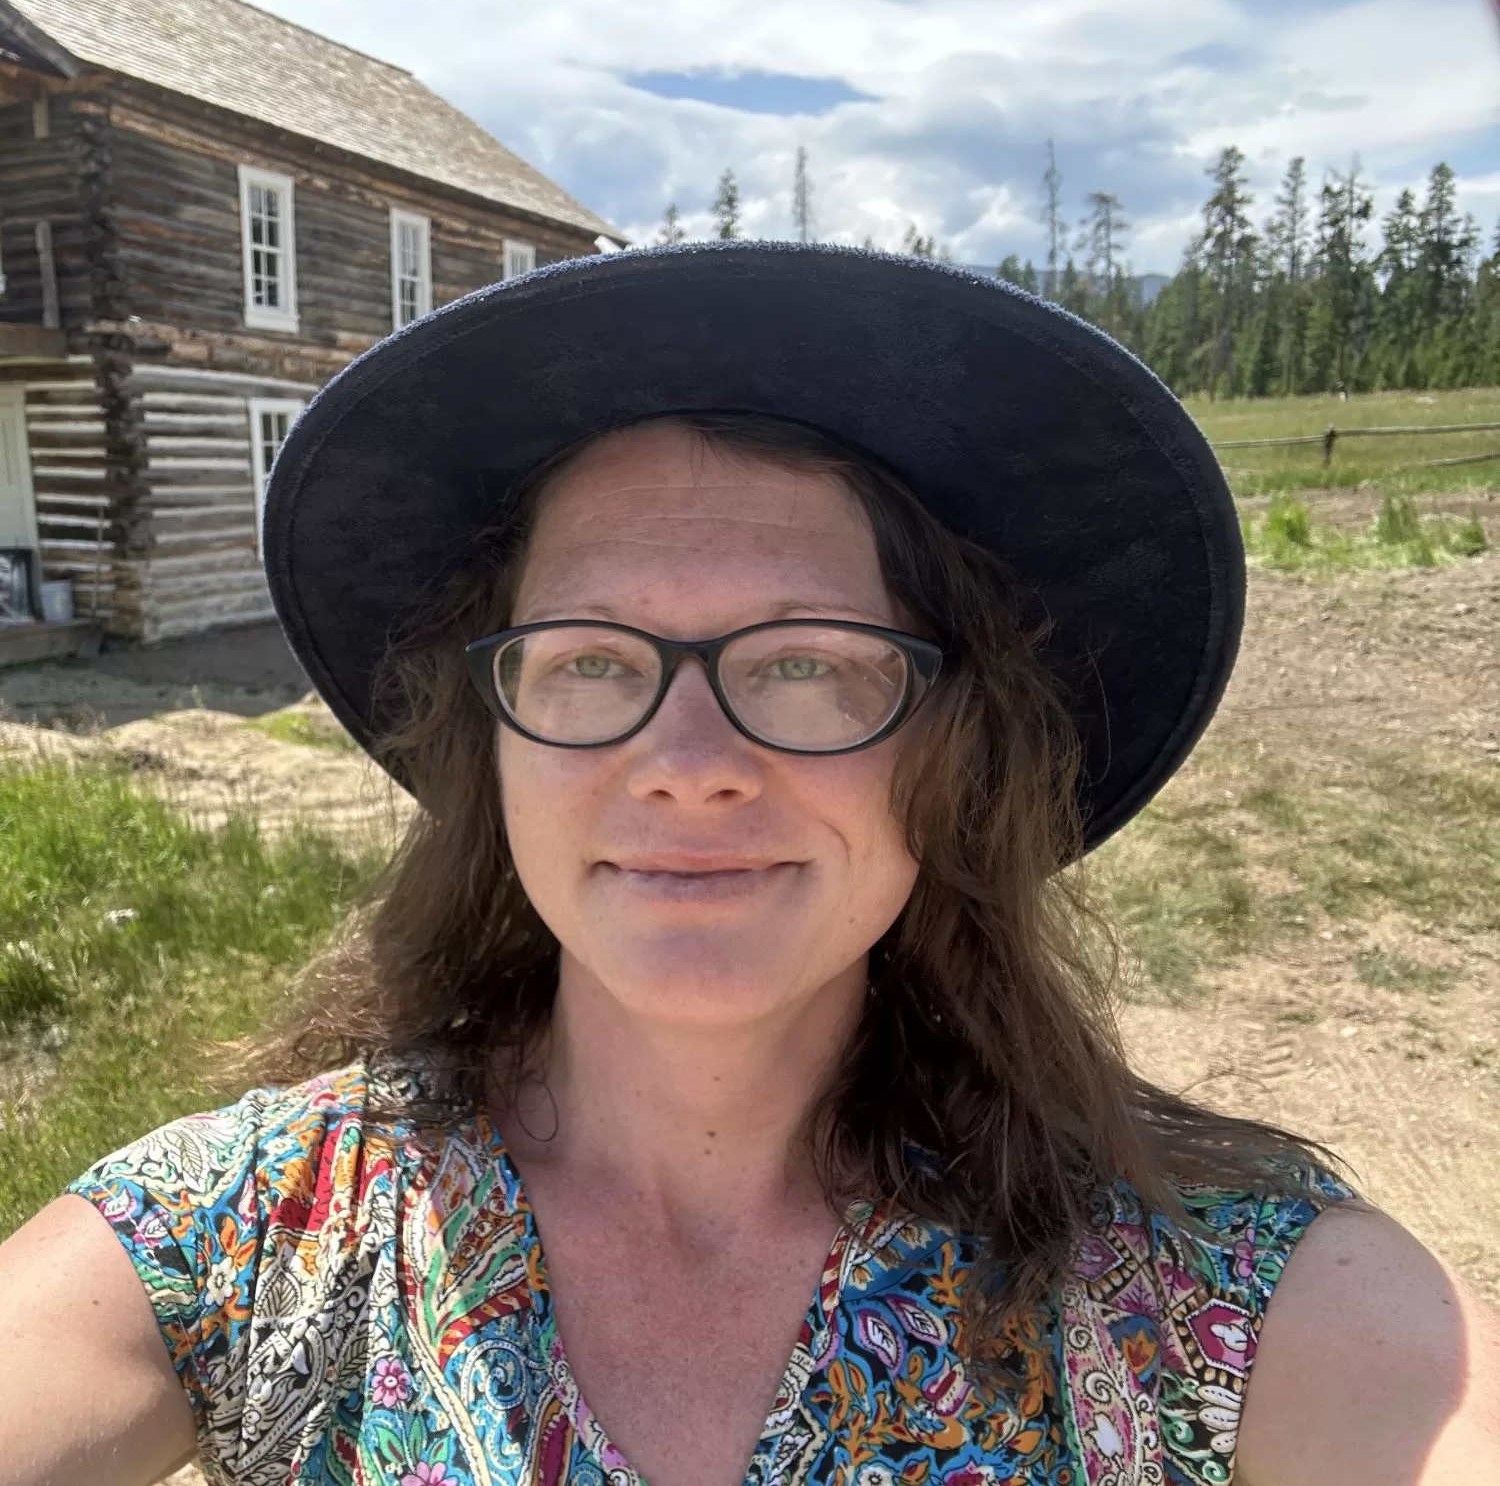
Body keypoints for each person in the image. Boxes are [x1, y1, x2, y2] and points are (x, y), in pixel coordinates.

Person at [1, 244, 1497, 1486]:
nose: (688, 759)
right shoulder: (263, 1230)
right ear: (493, 747)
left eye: (805, 663)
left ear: (954, 754)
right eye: (591, 660)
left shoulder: (1212, 1288)